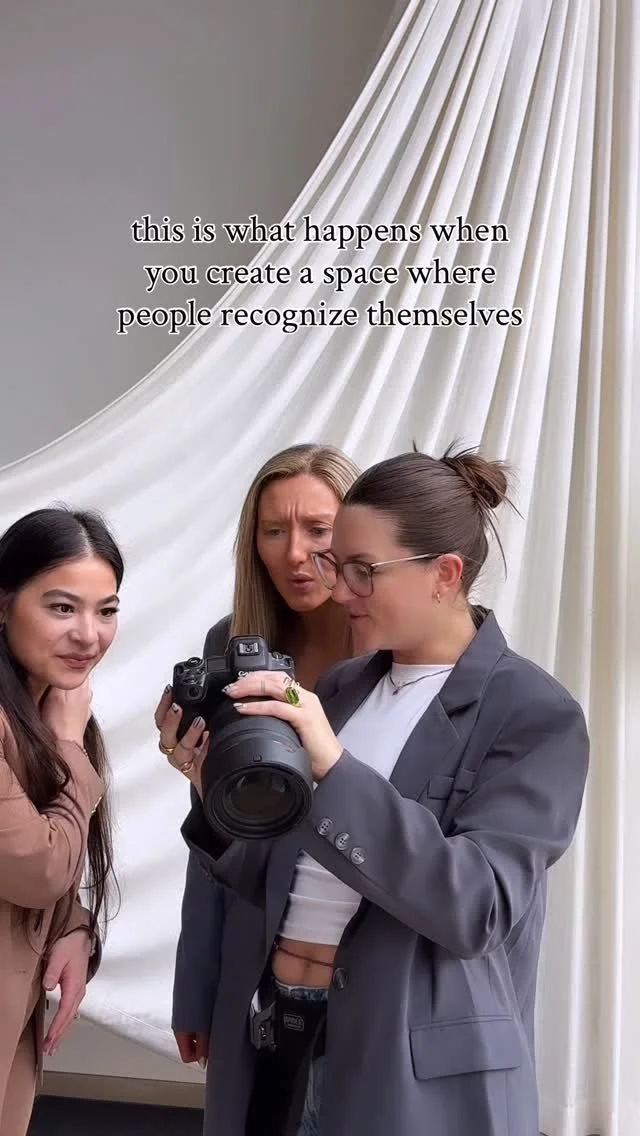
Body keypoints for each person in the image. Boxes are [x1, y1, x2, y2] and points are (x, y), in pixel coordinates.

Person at [163, 445, 590, 1136]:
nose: (338, 592)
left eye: (362, 570)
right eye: (339, 568)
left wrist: (333, 767)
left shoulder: (534, 713)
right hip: (281, 1036)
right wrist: (210, 787)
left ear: (444, 575)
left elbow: (477, 906)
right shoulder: (343, 688)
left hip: (404, 1070)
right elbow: (276, 878)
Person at [158, 442, 360, 1078]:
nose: (295, 553)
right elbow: (214, 832)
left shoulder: (393, 650)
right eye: (274, 531)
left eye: (318, 530)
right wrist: (196, 986)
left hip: (367, 966)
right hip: (256, 955)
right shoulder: (233, 646)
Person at [0, 506, 122, 1136]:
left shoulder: (46, 709)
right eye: (62, 608)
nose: (88, 635)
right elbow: (37, 866)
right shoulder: (61, 726)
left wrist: (74, 926)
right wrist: (71, 747)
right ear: (3, 605)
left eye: (107, 610)